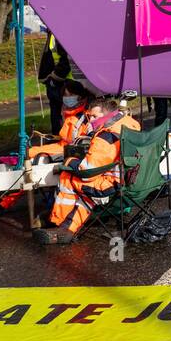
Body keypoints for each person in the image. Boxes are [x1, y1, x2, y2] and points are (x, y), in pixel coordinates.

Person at [35, 96, 140, 245]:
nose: (90, 121)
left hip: (113, 183)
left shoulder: (106, 137)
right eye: (90, 117)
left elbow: (88, 172)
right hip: (135, 178)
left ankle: (61, 224)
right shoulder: (129, 124)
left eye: (95, 117)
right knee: (84, 190)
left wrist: (70, 162)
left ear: (108, 115)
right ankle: (66, 224)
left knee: (69, 177)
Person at [37, 33, 72, 135]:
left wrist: (54, 78)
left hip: (62, 81)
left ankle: (63, 137)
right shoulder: (53, 33)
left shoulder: (58, 32)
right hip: (57, 80)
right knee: (57, 112)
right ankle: (58, 137)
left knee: (65, 112)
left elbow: (66, 59)